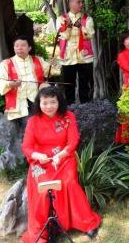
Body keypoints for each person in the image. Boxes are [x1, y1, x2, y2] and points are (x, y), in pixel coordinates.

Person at [20, 86, 101, 242]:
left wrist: (61, 154)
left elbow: (73, 140)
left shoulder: (68, 116)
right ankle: (49, 228)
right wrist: (38, 155)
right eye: (45, 103)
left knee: (69, 182)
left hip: (64, 158)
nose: (49, 106)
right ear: (39, 103)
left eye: (53, 102)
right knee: (44, 188)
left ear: (59, 102)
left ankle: (86, 223)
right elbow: (27, 147)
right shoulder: (33, 121)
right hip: (41, 162)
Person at [0, 36, 56, 122]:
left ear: (29, 48)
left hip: (38, 99)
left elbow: (49, 73)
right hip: (17, 102)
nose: (19, 48)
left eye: (23, 45)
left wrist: (52, 65)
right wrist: (10, 84)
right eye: (17, 46)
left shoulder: (38, 60)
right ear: (14, 48)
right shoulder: (6, 63)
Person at [56, 0, 95, 104]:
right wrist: (68, 27)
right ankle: (70, 105)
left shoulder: (88, 19)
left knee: (85, 82)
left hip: (84, 56)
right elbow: (63, 36)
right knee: (69, 83)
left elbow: (90, 35)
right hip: (68, 56)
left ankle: (86, 105)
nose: (81, 4)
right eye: (78, 2)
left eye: (81, 2)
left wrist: (81, 27)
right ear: (70, 3)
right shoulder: (61, 19)